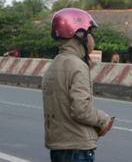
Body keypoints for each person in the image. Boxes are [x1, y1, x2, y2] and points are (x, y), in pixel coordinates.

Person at [42, 8, 114, 162]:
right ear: (77, 34)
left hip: (58, 146)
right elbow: (81, 111)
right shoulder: (78, 66)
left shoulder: (53, 65)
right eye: (89, 33)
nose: (91, 38)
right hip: (76, 148)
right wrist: (104, 120)